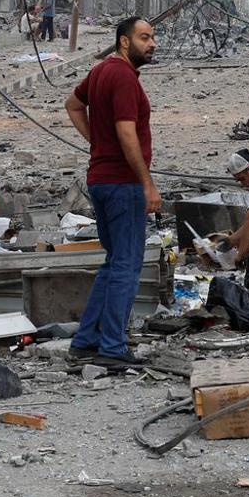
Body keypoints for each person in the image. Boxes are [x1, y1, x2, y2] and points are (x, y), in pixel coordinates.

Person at [63, 18, 159, 368]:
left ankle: (86, 340)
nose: (152, 44)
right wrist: (147, 183)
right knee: (127, 266)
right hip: (122, 184)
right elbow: (126, 131)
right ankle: (113, 347)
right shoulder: (121, 77)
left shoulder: (101, 71)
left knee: (113, 262)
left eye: (152, 37)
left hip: (101, 180)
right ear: (124, 42)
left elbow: (72, 105)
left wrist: (96, 143)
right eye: (144, 38)